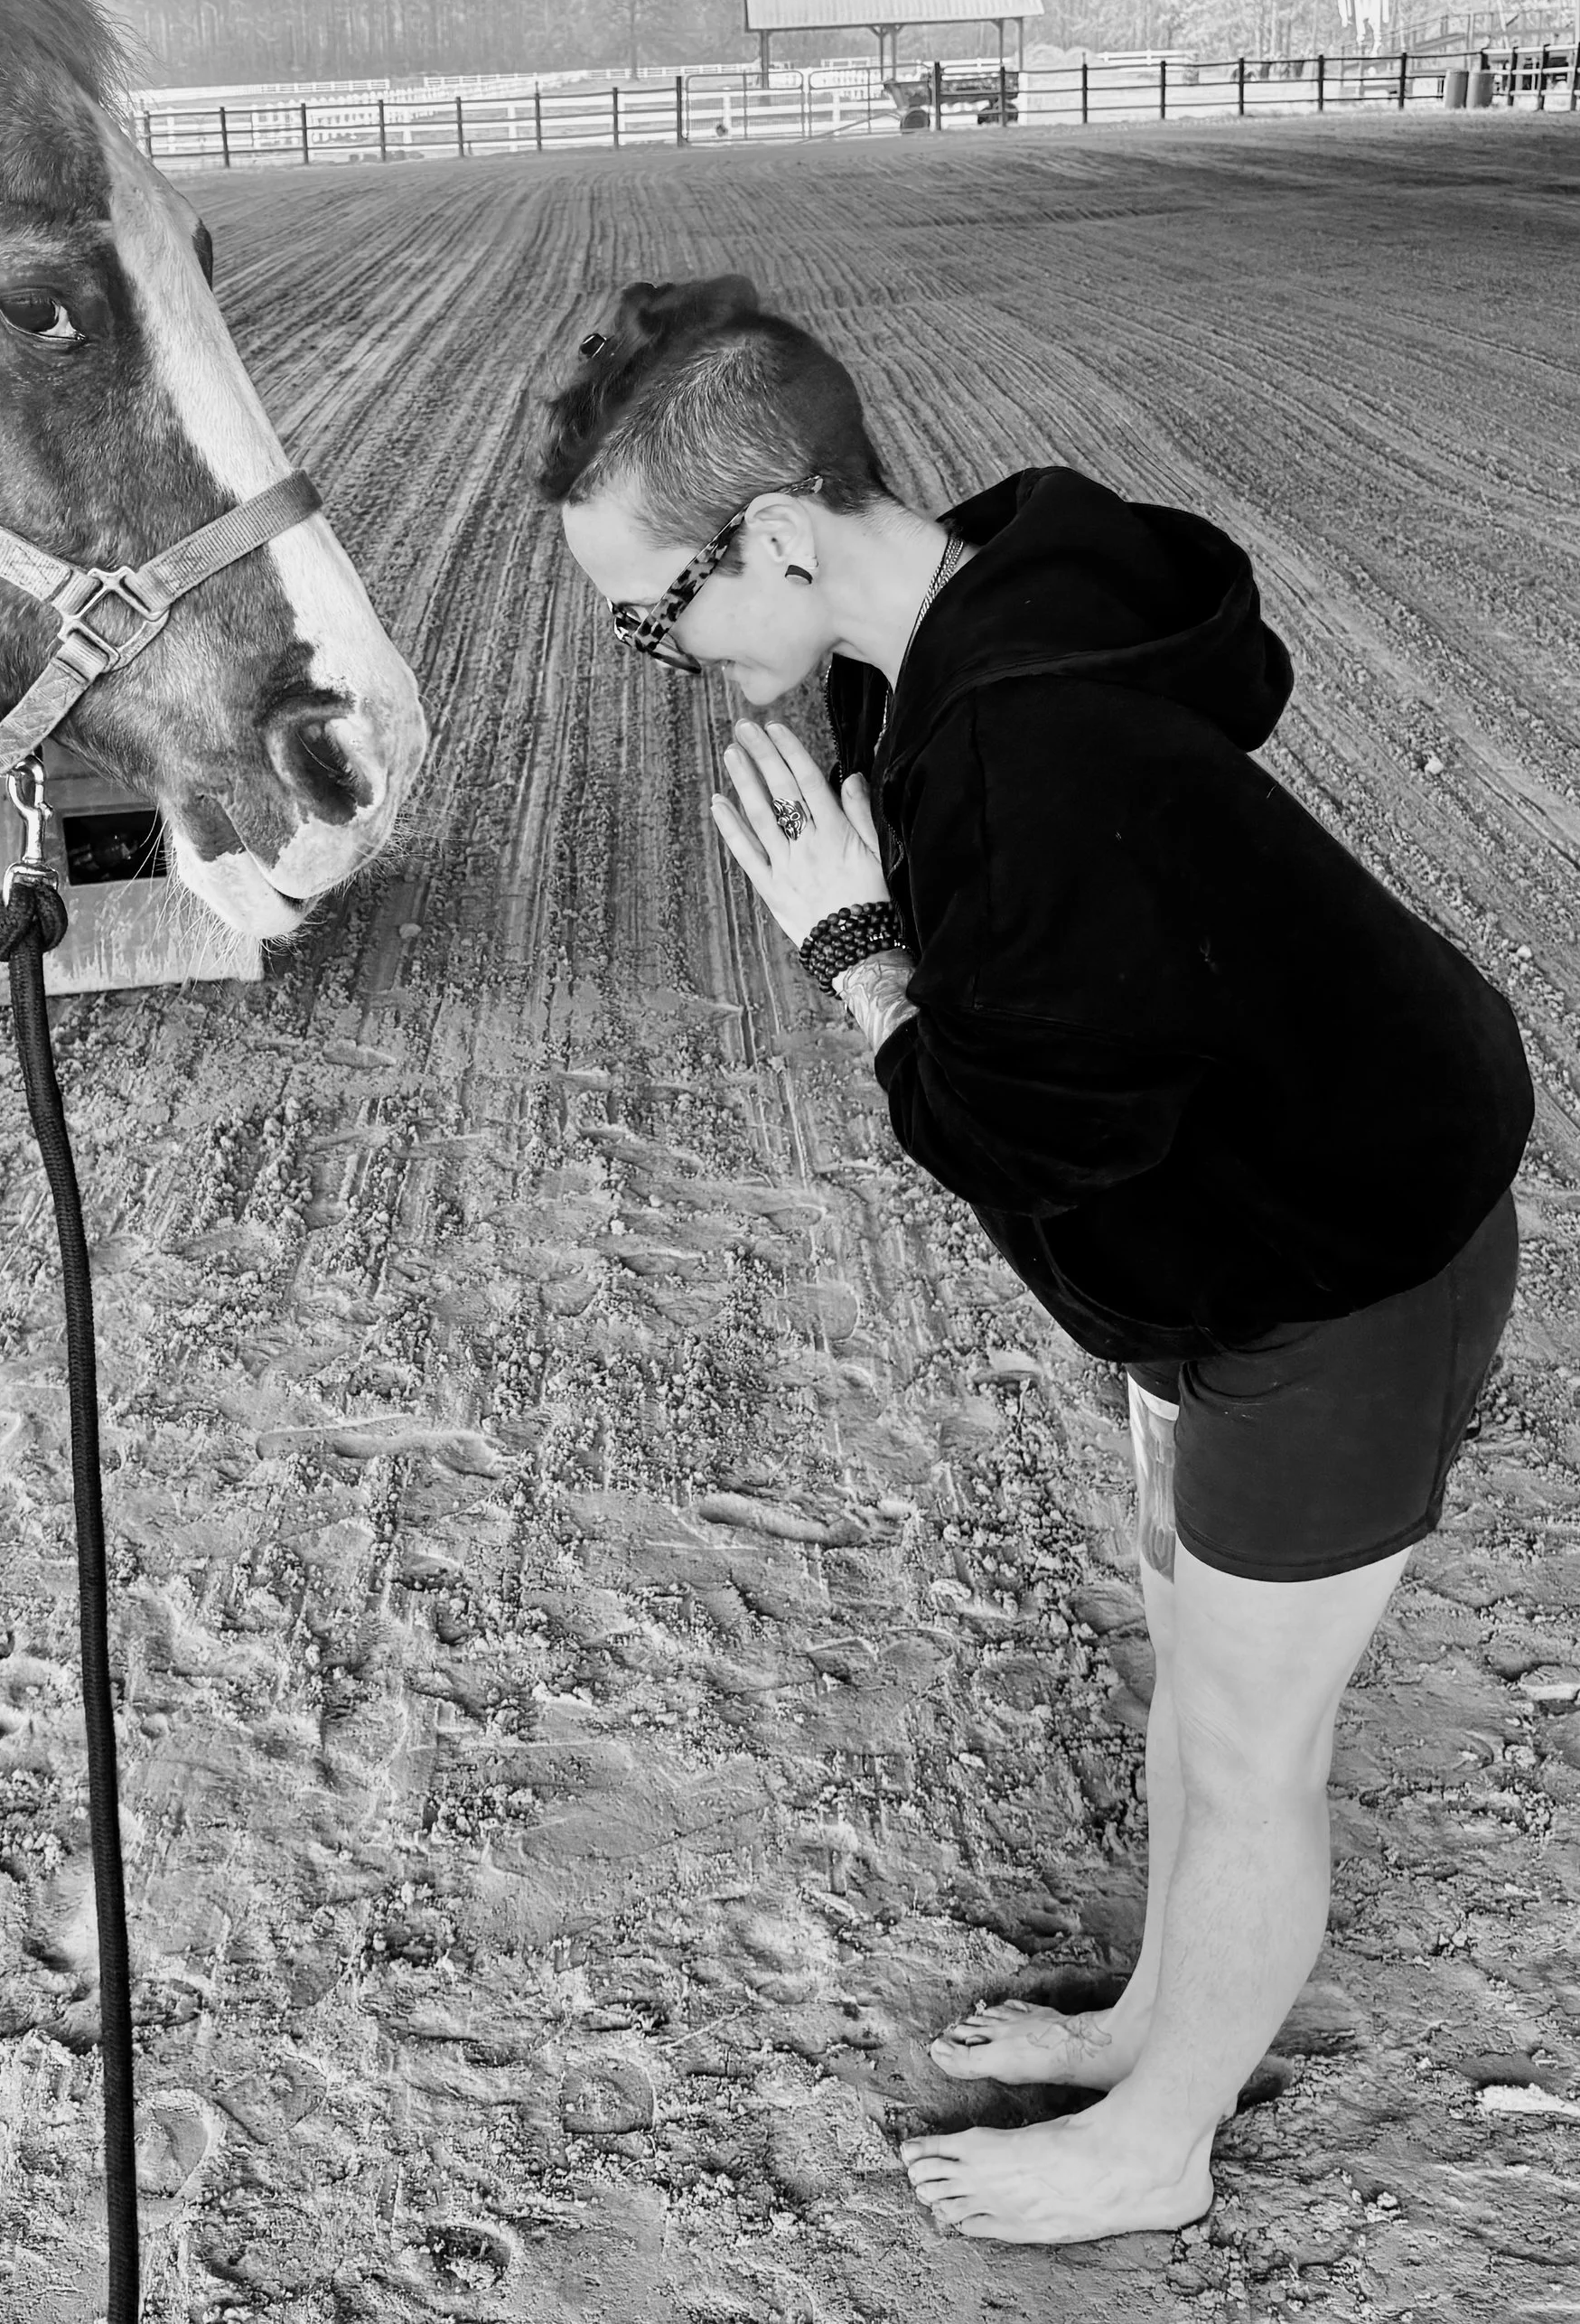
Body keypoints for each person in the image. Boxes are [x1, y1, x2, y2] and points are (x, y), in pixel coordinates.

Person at [539, 276, 1534, 2251]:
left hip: (1333, 1279)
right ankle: (1160, 2011)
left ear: (781, 536)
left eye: (656, 619)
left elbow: (1024, 1141)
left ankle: (1156, 2141)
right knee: (1192, 1669)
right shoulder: (964, 609)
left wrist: (855, 956)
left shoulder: (1024, 744)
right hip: (1241, 1229)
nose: (664, 661)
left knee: (1254, 1748)